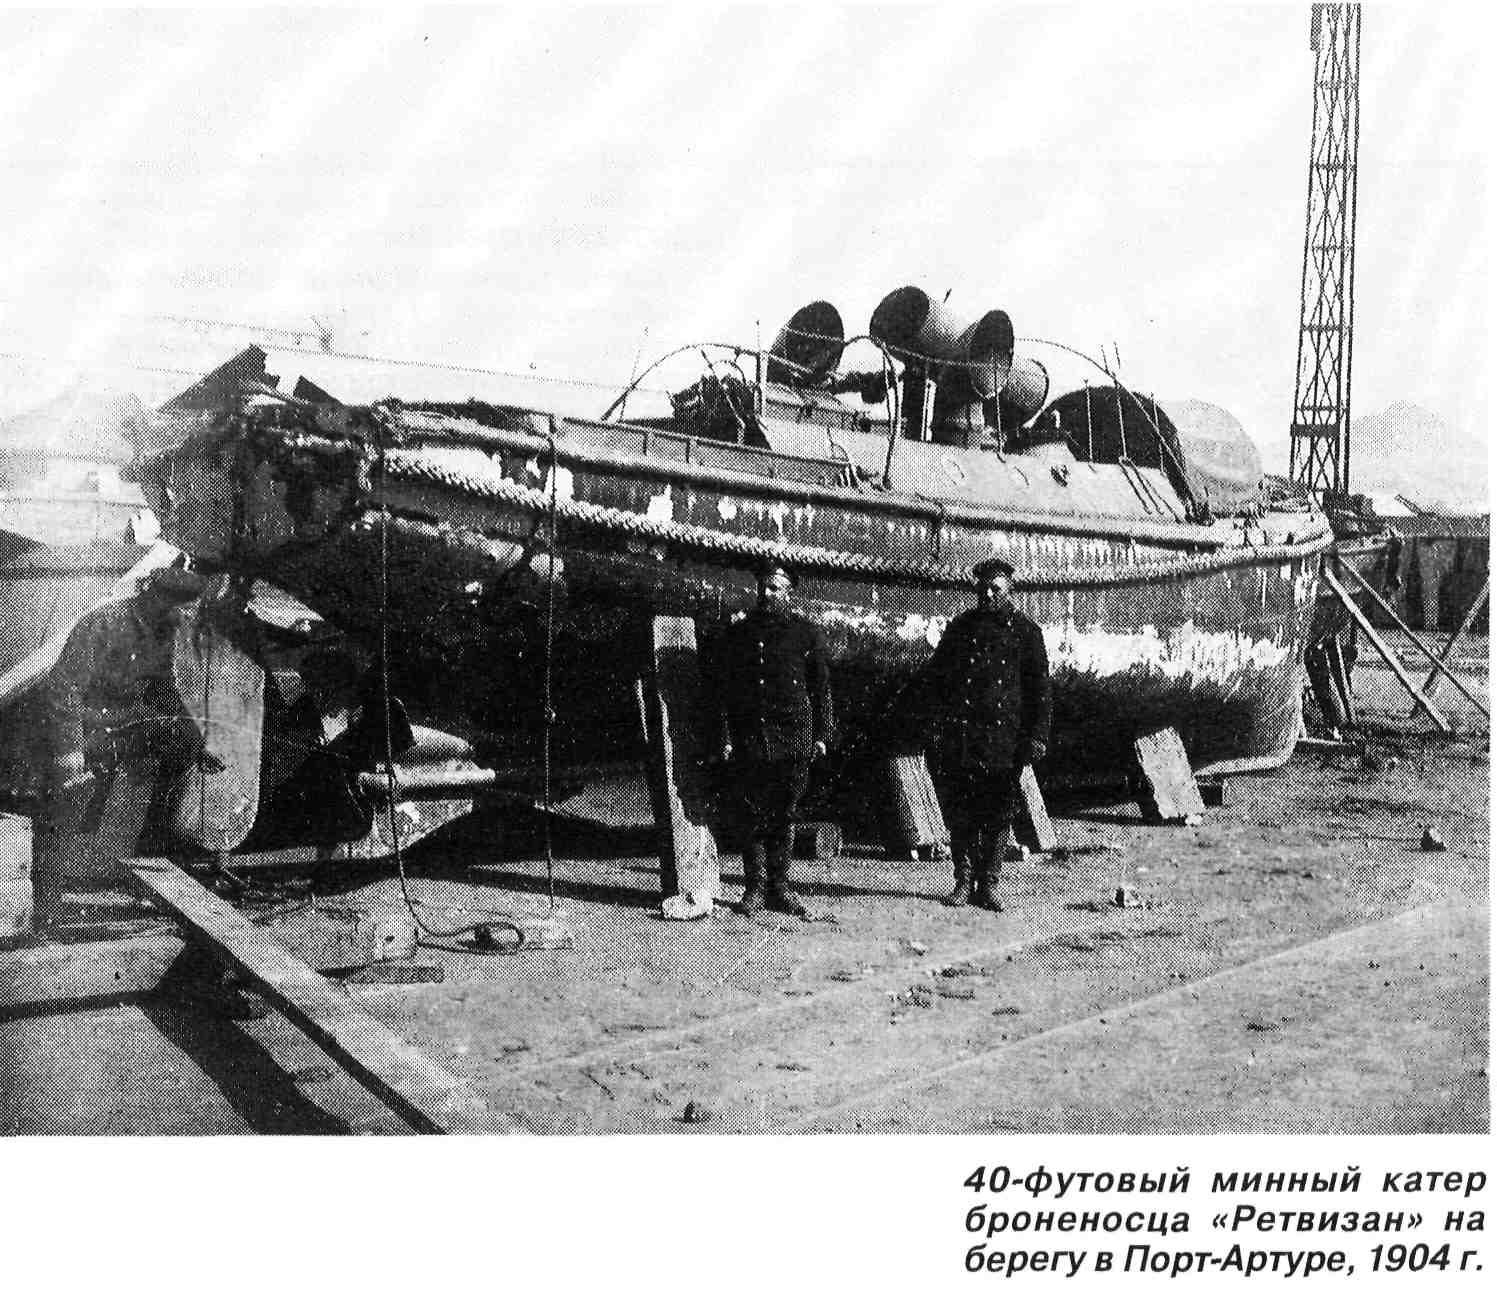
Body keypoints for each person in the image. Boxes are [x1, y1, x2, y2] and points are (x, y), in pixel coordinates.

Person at [36, 555, 221, 910]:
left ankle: (149, 861)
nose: (185, 618)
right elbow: (63, 689)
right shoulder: (105, 622)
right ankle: (49, 893)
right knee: (69, 800)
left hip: (123, 724)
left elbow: (164, 691)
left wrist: (197, 743)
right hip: (85, 724)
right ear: (157, 597)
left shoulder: (164, 631)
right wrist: (69, 750)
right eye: (181, 608)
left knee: (180, 744)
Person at [913, 556, 1051, 911]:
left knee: (998, 812)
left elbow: (1040, 691)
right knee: (961, 811)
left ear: (1010, 590)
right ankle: (962, 880)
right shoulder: (961, 628)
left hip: (1005, 740)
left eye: (996, 589)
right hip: (963, 736)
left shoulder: (1027, 633)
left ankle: (989, 883)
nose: (988, 595)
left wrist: (1037, 736)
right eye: (984, 588)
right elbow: (937, 679)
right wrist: (934, 726)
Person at [713, 559, 833, 917]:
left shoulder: (806, 634)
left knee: (784, 814)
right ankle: (754, 888)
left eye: (775, 588)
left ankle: (780, 888)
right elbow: (725, 691)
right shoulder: (739, 634)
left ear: (789, 592)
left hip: (793, 737)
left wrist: (823, 734)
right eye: (763, 586)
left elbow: (821, 690)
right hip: (752, 736)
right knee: (751, 813)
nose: (767, 593)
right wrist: (725, 736)